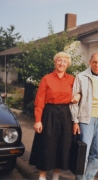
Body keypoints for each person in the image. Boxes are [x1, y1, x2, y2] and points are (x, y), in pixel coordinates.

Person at [29, 52, 80, 180]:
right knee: (46, 145)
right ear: (55, 62)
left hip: (65, 114)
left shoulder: (72, 79)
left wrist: (79, 95)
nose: (62, 63)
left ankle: (56, 177)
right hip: (49, 114)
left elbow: (80, 93)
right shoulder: (46, 79)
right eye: (59, 60)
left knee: (62, 145)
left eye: (64, 61)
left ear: (68, 64)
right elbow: (39, 101)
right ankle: (42, 177)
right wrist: (38, 120)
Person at [69, 52, 98, 180]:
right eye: (95, 62)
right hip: (86, 120)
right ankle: (80, 178)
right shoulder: (81, 77)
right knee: (82, 153)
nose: (97, 65)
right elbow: (74, 101)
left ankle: (89, 177)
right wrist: (75, 121)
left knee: (95, 153)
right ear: (90, 62)